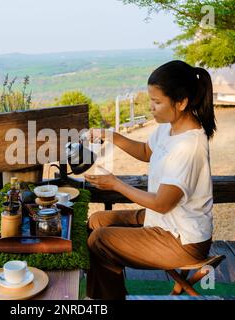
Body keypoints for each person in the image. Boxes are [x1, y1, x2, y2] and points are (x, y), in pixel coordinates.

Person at [84, 60, 216, 300]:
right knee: (97, 221)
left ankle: (106, 299)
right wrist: (110, 135)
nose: (152, 107)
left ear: (181, 102)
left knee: (100, 241)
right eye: (150, 101)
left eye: (157, 102)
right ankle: (102, 295)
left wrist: (116, 184)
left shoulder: (189, 145)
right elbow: (146, 151)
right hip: (165, 222)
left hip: (183, 240)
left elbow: (162, 203)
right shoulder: (169, 128)